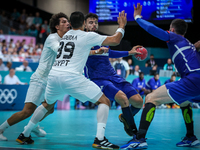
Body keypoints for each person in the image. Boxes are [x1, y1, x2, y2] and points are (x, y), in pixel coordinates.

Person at [16, 10, 127, 149]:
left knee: (46, 105)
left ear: (71, 23)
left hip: (54, 76)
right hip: (71, 77)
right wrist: (121, 26)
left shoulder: (65, 35)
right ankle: (100, 139)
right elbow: (115, 40)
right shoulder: (87, 36)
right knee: (104, 101)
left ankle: (25, 133)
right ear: (83, 23)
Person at [120, 3, 200, 149]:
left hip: (192, 80)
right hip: (196, 81)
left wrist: (137, 17)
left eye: (169, 29)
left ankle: (140, 138)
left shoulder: (174, 38)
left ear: (172, 30)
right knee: (184, 102)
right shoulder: (189, 44)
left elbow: (153, 29)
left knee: (151, 98)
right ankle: (190, 136)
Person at [0, 12, 70, 141]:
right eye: (64, 22)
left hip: (51, 81)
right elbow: (60, 51)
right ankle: (1, 128)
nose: (67, 23)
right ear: (57, 27)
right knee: (27, 111)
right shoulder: (52, 38)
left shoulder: (67, 39)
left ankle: (33, 126)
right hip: (40, 78)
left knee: (49, 109)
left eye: (68, 21)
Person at [84, 12, 143, 148]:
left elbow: (110, 53)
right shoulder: (84, 39)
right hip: (99, 79)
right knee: (122, 98)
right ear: (85, 25)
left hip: (113, 76)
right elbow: (115, 40)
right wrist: (121, 26)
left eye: (95, 22)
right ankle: (136, 135)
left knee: (139, 102)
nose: (93, 24)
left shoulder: (100, 39)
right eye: (90, 22)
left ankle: (124, 117)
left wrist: (129, 52)